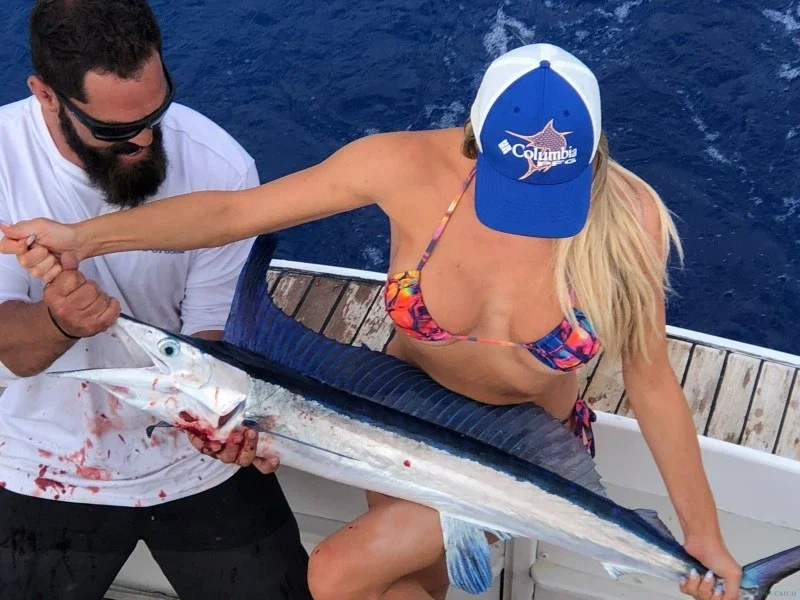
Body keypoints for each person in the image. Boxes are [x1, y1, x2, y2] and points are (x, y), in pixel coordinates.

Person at [1, 42, 739, 600]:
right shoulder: (400, 166)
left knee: (336, 574)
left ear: (593, 155)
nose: (526, 216)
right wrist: (81, 239)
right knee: (408, 589)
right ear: (475, 138)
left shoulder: (630, 221)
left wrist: (702, 533)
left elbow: (651, 381)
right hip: (389, 420)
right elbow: (231, 214)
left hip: (522, 457)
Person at [0, 1, 312, 599]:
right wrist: (57, 321)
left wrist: (221, 423)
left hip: (194, 459)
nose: (144, 139)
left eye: (156, 113)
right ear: (45, 95)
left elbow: (213, 337)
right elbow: (9, 351)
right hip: (38, 460)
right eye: (114, 130)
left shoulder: (219, 163)